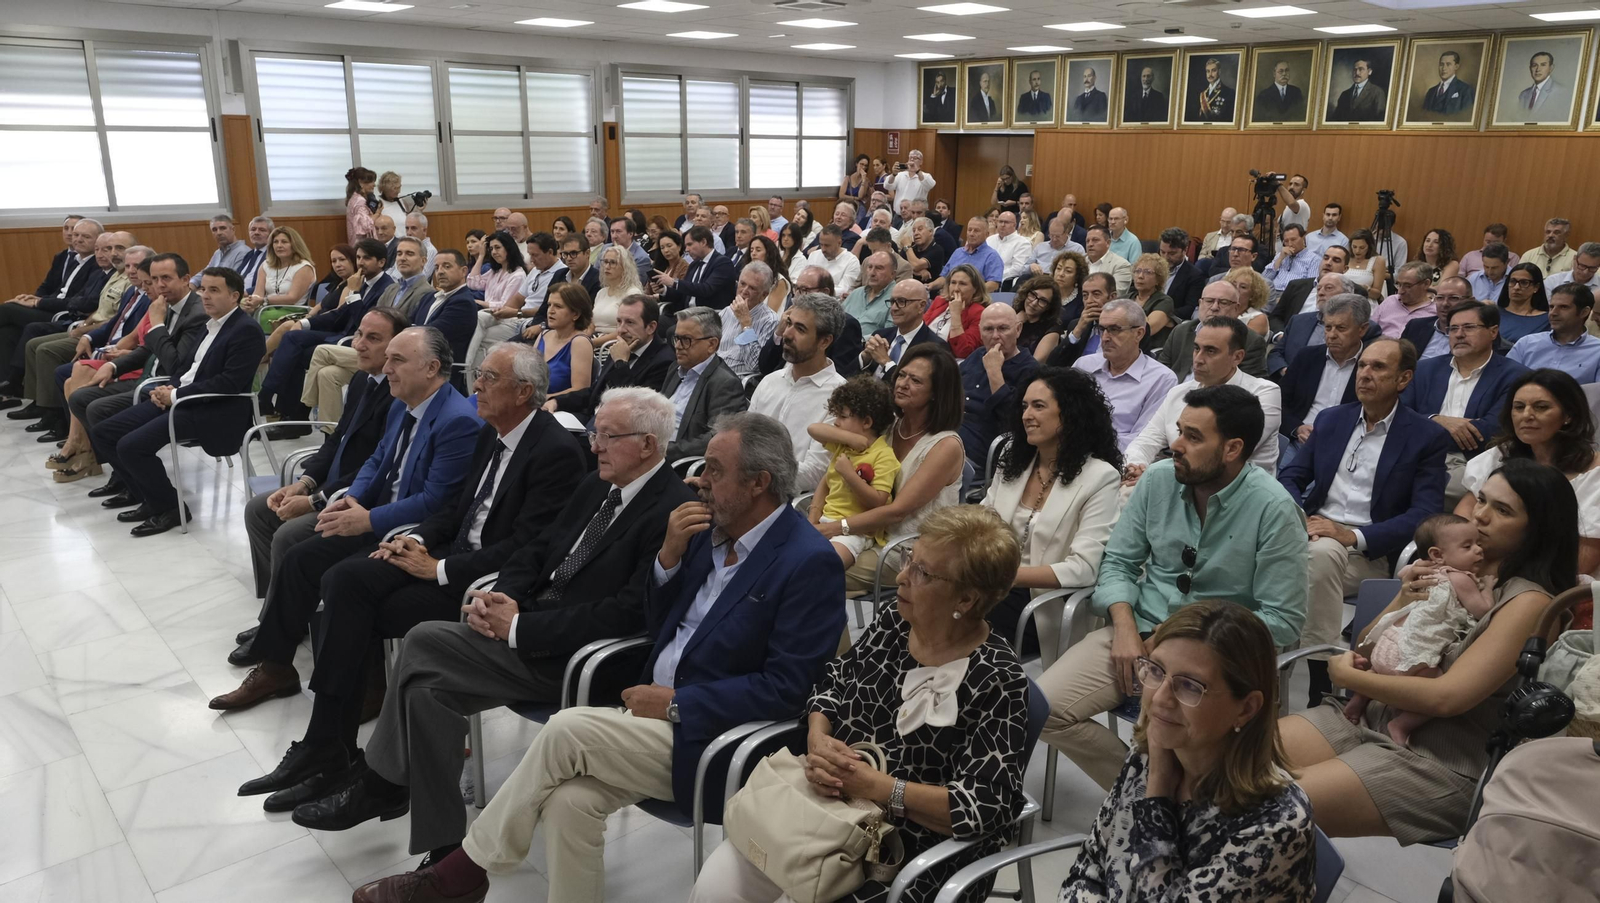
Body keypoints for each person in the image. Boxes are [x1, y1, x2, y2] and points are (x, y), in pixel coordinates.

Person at [354, 412, 846, 903]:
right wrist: (668, 559)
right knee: (570, 803)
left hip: (715, 735)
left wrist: (677, 703)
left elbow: (788, 689)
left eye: (714, 470)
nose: (698, 479)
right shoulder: (705, 534)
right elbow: (654, 625)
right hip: (648, 718)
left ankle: (460, 874)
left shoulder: (807, 562)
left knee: (566, 729)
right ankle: (463, 875)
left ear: (758, 483)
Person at [292, 387, 697, 860]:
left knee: (422, 639)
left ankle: (380, 783)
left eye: (608, 436)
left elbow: (629, 613)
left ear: (648, 444)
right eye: (594, 433)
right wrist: (501, 595)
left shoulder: (669, 512)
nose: (595, 445)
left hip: (576, 658)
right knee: (426, 694)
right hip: (530, 628)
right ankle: (444, 848)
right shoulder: (599, 486)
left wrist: (520, 626)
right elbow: (537, 550)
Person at [240, 342, 585, 810]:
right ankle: (328, 743)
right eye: (478, 373)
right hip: (448, 553)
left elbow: (526, 549)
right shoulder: (493, 431)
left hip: (481, 581)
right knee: (344, 581)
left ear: (524, 392)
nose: (475, 385)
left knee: (361, 607)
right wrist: (417, 540)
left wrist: (439, 567)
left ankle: (340, 753)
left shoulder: (554, 452)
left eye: (488, 377)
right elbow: (454, 509)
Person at [692, 506, 1030, 903]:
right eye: (909, 558)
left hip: (904, 855)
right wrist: (818, 737)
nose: (902, 576)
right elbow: (833, 680)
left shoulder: (998, 679)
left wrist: (880, 788)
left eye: (923, 572)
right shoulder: (895, 620)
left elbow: (984, 806)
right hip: (823, 812)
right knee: (712, 890)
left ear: (968, 599)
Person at [1280, 457, 1576, 843]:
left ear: (1538, 530)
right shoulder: (1458, 569)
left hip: (1438, 759)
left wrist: (1347, 677)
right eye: (1482, 500)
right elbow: (1369, 646)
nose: (1481, 516)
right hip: (1369, 719)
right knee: (1227, 760)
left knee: (1270, 810)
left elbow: (1446, 698)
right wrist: (1401, 600)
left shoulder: (1530, 603)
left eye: (1502, 510)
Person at [1039, 385, 1309, 789]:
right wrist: (1125, 630)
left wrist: (1185, 643)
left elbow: (1282, 620)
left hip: (1215, 656)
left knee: (1163, 733)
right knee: (1037, 709)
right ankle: (1141, 791)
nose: (1176, 445)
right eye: (1179, 430)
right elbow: (1118, 564)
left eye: (1193, 437)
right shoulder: (1159, 481)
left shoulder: (1274, 509)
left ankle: (1166, 797)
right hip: (1139, 635)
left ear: (1233, 449)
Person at [210, 326, 482, 709]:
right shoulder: (403, 404)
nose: (386, 367)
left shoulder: (457, 421)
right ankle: (276, 669)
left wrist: (368, 519)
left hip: (415, 531)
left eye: (397, 360)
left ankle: (357, 688)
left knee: (337, 574)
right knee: (299, 557)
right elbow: (375, 462)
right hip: (377, 512)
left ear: (432, 367)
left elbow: (436, 501)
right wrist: (348, 500)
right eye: (387, 358)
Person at [1062, 600, 1316, 901]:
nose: (1159, 700)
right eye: (1155, 670)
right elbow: (1090, 865)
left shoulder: (1275, 825)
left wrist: (1156, 795)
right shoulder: (1152, 750)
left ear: (1246, 709)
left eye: (1190, 686)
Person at [1279, 338, 1453, 705]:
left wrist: (1352, 535)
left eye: (1378, 368)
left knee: (1314, 562)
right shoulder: (1333, 419)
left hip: (1366, 554)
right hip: (1307, 536)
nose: (1365, 375)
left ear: (1403, 379)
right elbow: (1290, 476)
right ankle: (1309, 681)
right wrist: (1301, 518)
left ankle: (1313, 680)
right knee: (1306, 563)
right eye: (1362, 366)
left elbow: (1425, 513)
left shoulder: (1426, 436)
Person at [237, 309, 406, 648]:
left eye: (373, 339)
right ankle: (283, 609)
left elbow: (381, 465)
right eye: (359, 334)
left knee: (288, 534)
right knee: (258, 510)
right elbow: (337, 439)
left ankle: (278, 625)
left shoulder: (399, 392)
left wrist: (315, 500)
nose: (359, 345)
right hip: (330, 486)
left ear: (395, 347)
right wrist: (304, 482)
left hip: (357, 499)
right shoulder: (361, 380)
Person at [89, 265, 266, 536]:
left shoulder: (246, 330)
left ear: (235, 297)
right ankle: (148, 498)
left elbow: (228, 383)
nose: (205, 296)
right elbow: (186, 367)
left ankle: (171, 509)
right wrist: (168, 388)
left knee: (131, 447)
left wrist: (174, 395)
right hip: (183, 399)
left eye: (214, 290)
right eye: (203, 289)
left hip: (215, 409)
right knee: (104, 432)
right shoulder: (209, 325)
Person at [981, 367, 1122, 648]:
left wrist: (1002, 577)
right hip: (992, 584)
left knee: (955, 617)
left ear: (1070, 414)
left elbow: (1083, 568)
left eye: (1038, 406)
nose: (1026, 415)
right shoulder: (1014, 458)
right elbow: (983, 518)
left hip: (1043, 603)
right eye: (1024, 406)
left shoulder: (1100, 477)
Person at [1343, 514, 1496, 745]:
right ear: (1437, 554)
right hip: (1413, 654)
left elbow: (1404, 574)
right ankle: (1402, 725)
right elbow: (1483, 611)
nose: (1478, 551)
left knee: (1379, 671)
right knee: (1436, 690)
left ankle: (1358, 700)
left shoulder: (1420, 570)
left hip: (1389, 644)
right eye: (1467, 546)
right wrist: (1487, 588)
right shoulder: (1460, 578)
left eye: (1478, 544)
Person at [826, 343, 966, 595]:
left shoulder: (945, 445)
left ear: (937, 392)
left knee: (810, 571)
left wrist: (834, 527)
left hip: (908, 552)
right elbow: (835, 465)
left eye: (915, 380)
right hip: (865, 533)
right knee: (794, 560)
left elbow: (897, 512)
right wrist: (818, 515)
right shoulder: (888, 427)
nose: (902, 383)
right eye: (901, 374)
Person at [1453, 368, 1600, 577]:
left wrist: (1493, 573)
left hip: (1555, 588)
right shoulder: (1498, 456)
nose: (1527, 416)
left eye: (1541, 407)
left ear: (1568, 415)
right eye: (1519, 407)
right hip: (1481, 571)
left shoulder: (1596, 475)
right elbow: (1463, 518)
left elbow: (1578, 563)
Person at [1403, 302, 1531, 503]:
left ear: (1493, 332)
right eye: (1453, 328)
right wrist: (1436, 419)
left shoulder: (1516, 377)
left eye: (1469, 327)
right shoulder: (1424, 369)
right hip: (1417, 456)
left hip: (1473, 463)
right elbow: (1400, 414)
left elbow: (1488, 432)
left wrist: (1421, 426)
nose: (1459, 334)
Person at [1125, 318, 1284, 478]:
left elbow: (1219, 457)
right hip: (1176, 480)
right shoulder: (1179, 393)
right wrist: (1136, 467)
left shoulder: (1264, 393)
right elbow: (1145, 441)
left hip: (1240, 494)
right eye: (1196, 348)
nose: (1198, 359)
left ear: (1237, 357)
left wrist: (1152, 475)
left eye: (1210, 351)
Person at [749, 293, 847, 491]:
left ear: (824, 342)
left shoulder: (840, 397)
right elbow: (745, 438)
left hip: (788, 501)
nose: (787, 334)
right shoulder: (770, 381)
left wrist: (752, 474)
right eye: (789, 323)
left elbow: (815, 473)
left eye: (800, 329)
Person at [803, 376, 899, 569]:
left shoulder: (884, 456)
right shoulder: (844, 446)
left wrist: (849, 474)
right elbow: (813, 429)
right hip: (824, 521)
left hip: (854, 532)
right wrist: (850, 437)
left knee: (823, 565)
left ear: (867, 422)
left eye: (843, 417)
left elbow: (877, 502)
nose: (836, 423)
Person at [1072, 300, 1179, 451]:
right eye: (1102, 329)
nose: (1105, 337)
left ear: (1139, 334)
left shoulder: (1161, 379)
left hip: (1117, 461)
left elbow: (1143, 440)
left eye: (1114, 329)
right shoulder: (1083, 366)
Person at [1279, 294, 1379, 455]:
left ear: (1362, 329)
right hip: (1299, 442)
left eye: (1341, 328)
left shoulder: (1373, 366)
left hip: (1347, 448)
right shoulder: (1307, 357)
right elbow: (1280, 402)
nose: (1331, 335)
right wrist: (1297, 429)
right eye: (1328, 327)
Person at [555, 294, 674, 424]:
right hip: (592, 418)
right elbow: (595, 392)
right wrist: (556, 401)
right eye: (619, 321)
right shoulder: (621, 347)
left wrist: (620, 363)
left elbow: (634, 408)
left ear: (651, 327)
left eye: (630, 322)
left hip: (618, 428)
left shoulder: (664, 361)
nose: (621, 330)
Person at [958, 304, 1038, 473]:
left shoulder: (1031, 371)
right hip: (947, 433)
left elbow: (1015, 422)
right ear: (980, 332)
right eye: (988, 329)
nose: (995, 336)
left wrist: (994, 372)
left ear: (1018, 329)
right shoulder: (977, 355)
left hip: (980, 452)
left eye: (1003, 328)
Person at [661, 307, 748, 461]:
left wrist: (664, 451)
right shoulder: (675, 368)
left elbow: (717, 438)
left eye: (686, 340)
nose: (678, 346)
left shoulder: (725, 383)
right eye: (676, 338)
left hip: (679, 462)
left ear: (712, 344)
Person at [1164, 281, 1270, 380]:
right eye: (1209, 301)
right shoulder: (1180, 331)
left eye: (1223, 302)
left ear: (1236, 308)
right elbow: (1162, 372)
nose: (1214, 307)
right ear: (1200, 303)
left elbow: (1249, 386)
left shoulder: (1251, 341)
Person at [461, 231, 529, 378]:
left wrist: (480, 302)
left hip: (506, 317)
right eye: (491, 249)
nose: (494, 252)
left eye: (498, 248)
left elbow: (505, 305)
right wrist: (480, 256)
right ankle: (474, 379)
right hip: (490, 317)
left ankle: (466, 364)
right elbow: (472, 282)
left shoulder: (518, 274)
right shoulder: (494, 271)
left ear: (508, 248)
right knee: (479, 340)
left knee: (477, 317)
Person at [860, 279, 948, 383]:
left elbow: (913, 389)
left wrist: (886, 362)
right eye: (892, 302)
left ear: (921, 306)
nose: (893, 308)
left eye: (901, 301)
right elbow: (847, 375)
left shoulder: (935, 347)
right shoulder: (881, 335)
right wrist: (864, 358)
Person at [1508, 283, 1600, 381]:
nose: (1553, 313)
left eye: (1563, 307)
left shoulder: (1597, 351)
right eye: (1551, 307)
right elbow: (1505, 382)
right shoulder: (1526, 344)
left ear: (1584, 312)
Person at [531, 282, 594, 402]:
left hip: (560, 408)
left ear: (575, 314)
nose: (550, 311)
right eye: (549, 305)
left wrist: (547, 398)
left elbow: (580, 390)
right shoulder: (543, 335)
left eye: (558, 306)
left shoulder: (580, 343)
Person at [656, 225, 736, 313]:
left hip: (710, 315)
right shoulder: (694, 265)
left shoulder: (723, 263)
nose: (686, 249)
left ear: (703, 242)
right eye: (686, 246)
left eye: (690, 244)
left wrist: (674, 282)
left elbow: (707, 289)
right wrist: (664, 290)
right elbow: (684, 293)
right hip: (687, 314)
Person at [923, 263, 989, 361]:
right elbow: (921, 327)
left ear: (975, 289)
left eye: (962, 284)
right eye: (953, 283)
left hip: (947, 360)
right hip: (922, 351)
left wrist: (956, 315)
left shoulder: (979, 313)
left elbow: (963, 352)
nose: (956, 288)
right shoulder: (940, 301)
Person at [1402, 276, 1472, 361]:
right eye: (1440, 298)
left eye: (1453, 298)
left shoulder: (1473, 334)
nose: (1445, 304)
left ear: (1470, 301)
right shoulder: (1416, 326)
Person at [931, 217, 1003, 296]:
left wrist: (970, 293)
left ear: (986, 234)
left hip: (976, 300)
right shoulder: (958, 252)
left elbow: (993, 284)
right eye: (969, 230)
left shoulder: (992, 256)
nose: (971, 234)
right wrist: (930, 286)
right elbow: (944, 278)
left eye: (976, 231)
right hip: (951, 297)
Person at [1370, 261, 1437, 338]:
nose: (1400, 291)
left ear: (1426, 284)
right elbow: (1370, 330)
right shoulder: (1390, 301)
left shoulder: (1436, 311)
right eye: (1399, 284)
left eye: (1407, 286)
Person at [1126, 252, 1175, 352]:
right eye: (1137, 271)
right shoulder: (1125, 298)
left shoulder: (1164, 301)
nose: (1140, 276)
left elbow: (1148, 329)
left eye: (1147, 272)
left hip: (1150, 352)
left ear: (1158, 279)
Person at [1495, 261, 1551, 343]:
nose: (1516, 287)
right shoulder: (1494, 314)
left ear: (1536, 287)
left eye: (1524, 283)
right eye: (1513, 281)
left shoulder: (1546, 320)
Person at [842, 251, 896, 335]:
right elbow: (835, 322)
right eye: (870, 267)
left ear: (893, 274)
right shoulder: (856, 293)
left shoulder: (898, 298)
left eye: (879, 268)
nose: (872, 273)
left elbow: (889, 334)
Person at [1010, 275, 1062, 358]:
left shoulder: (1051, 331)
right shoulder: (1013, 314)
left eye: (1042, 300)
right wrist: (1013, 323)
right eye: (1033, 295)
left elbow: (1035, 365)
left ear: (1049, 306)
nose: (1034, 303)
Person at [1263, 224, 1318, 301]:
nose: (1290, 244)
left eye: (1293, 239)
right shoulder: (1281, 255)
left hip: (1293, 296)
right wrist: (1279, 259)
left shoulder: (1313, 259)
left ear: (1303, 237)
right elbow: (1264, 279)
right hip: (1272, 292)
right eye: (1286, 241)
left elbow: (1310, 286)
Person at [1421, 50, 1476, 115]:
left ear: (1456, 66)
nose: (1444, 68)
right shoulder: (1431, 92)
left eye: (1448, 64)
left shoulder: (1466, 90)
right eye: (1441, 64)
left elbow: (1466, 117)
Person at [1082, 226, 1132, 297]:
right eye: (1087, 241)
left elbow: (1116, 294)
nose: (1090, 244)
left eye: (1095, 240)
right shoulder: (1079, 262)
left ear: (1108, 243)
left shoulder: (1121, 265)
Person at [1344, 229, 1389, 300]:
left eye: (1362, 247)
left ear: (1369, 246)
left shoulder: (1378, 261)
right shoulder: (1345, 257)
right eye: (1354, 247)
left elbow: (1377, 294)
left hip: (1365, 301)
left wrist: (1365, 289)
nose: (1357, 251)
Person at [345, 167, 377, 244]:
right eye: (371, 181)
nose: (374, 185)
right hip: (363, 244)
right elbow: (365, 225)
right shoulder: (360, 201)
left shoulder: (353, 198)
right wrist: (378, 213)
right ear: (361, 183)